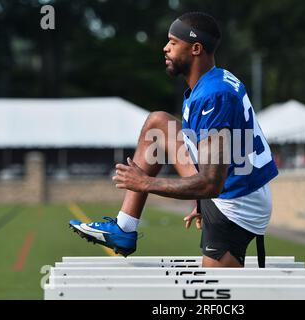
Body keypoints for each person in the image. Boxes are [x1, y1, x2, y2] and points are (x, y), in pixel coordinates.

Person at [69, 12, 278, 268]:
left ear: (196, 49)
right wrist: (200, 196)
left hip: (236, 204)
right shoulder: (210, 82)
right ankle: (124, 229)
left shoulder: (213, 96)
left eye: (173, 42)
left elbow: (211, 184)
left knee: (215, 300)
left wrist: (145, 182)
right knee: (158, 123)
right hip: (230, 184)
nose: (165, 48)